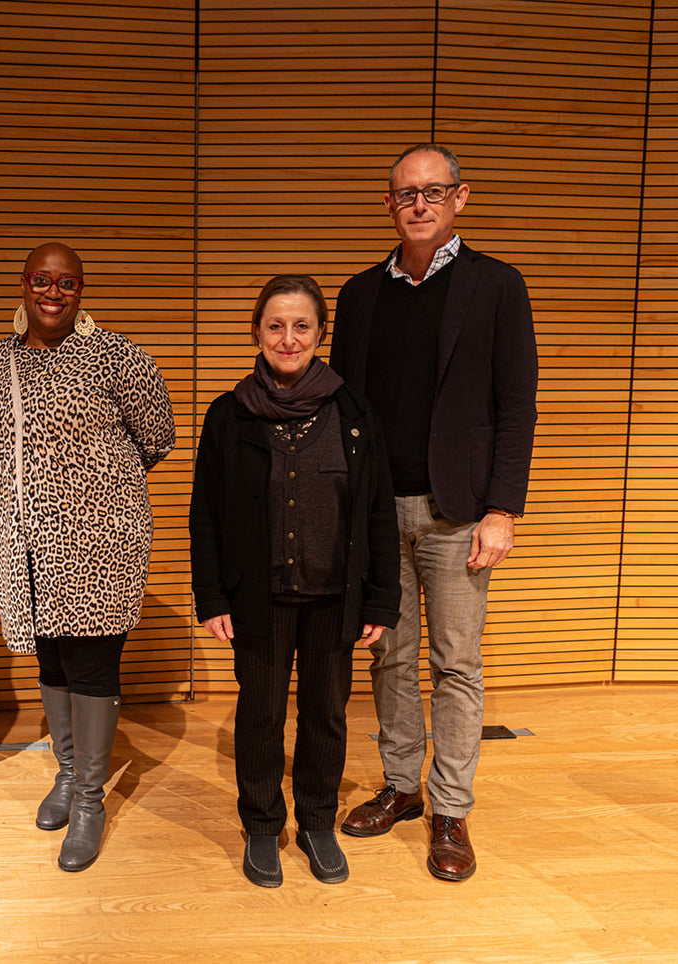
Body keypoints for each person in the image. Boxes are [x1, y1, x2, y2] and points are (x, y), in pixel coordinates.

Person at [331, 144, 539, 881]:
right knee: (388, 656)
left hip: (459, 514)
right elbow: (345, 410)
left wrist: (501, 509)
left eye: (432, 192)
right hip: (378, 511)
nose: (418, 204)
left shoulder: (496, 287)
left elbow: (516, 407)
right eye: (404, 194)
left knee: (455, 663)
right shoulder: (359, 296)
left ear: (460, 198)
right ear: (388, 205)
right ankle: (399, 785)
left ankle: (449, 807)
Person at [0, 242, 175, 872]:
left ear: (82, 290)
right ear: (23, 285)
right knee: (50, 660)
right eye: (40, 279)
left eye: (67, 282)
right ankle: (64, 773)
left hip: (99, 543)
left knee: (90, 667)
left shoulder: (116, 356)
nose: (52, 292)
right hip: (21, 541)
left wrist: (93, 490)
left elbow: (156, 436)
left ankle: (89, 800)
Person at [189, 274, 400, 888]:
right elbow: (206, 512)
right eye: (275, 325)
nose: (288, 337)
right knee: (258, 715)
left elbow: (378, 510)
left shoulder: (354, 413)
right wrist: (211, 595)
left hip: (336, 598)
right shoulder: (228, 415)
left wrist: (382, 597)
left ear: (319, 334)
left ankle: (315, 822)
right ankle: (261, 825)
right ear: (257, 331)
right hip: (257, 597)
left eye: (301, 325)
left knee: (326, 714)